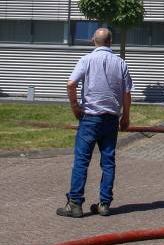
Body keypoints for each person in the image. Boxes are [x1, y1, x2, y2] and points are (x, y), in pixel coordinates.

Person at [57, 27, 133, 218]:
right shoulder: (121, 63)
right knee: (108, 162)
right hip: (111, 120)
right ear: (110, 42)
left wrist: (75, 106)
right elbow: (127, 93)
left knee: (82, 161)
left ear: (93, 41)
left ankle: (75, 204)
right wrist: (126, 117)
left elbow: (70, 83)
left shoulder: (86, 60)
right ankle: (104, 204)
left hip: (90, 118)